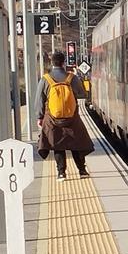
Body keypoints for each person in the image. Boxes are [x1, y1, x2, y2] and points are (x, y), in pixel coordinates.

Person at [36, 51, 93, 181]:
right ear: (63, 63)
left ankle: (61, 173)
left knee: (57, 144)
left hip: (53, 118)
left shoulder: (46, 79)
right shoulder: (72, 78)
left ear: (52, 63)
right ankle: (82, 170)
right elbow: (82, 94)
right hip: (72, 117)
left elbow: (39, 99)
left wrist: (39, 117)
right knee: (77, 142)